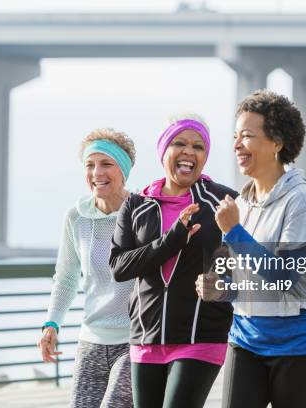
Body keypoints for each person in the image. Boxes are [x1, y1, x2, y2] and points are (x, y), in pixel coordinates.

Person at [195, 89, 306, 408]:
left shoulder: (301, 202)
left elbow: (284, 277)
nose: (236, 145)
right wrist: (222, 289)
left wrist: (233, 231)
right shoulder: (240, 204)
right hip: (246, 342)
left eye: (246, 136)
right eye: (235, 136)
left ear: (277, 142)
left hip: (299, 347)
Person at [109, 114, 238, 408]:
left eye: (198, 146)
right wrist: (173, 239)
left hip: (201, 336)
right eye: (179, 143)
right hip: (146, 337)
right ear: (163, 151)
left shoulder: (226, 201)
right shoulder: (137, 204)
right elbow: (119, 267)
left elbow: (246, 268)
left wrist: (222, 285)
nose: (189, 152)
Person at [38, 128, 136, 408]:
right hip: (90, 341)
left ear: (124, 170)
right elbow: (66, 277)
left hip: (134, 341)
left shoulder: (142, 212)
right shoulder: (76, 217)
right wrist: (52, 323)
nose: (97, 172)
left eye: (106, 164)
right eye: (90, 165)